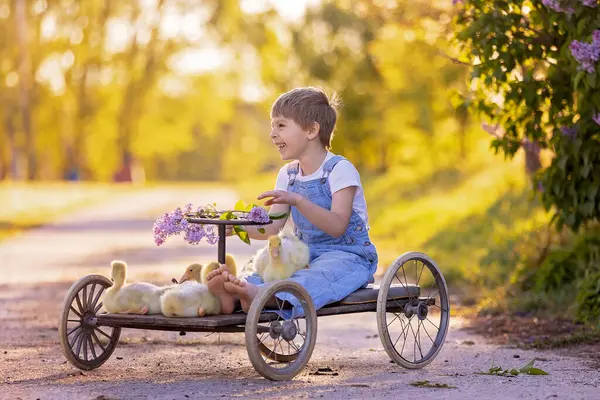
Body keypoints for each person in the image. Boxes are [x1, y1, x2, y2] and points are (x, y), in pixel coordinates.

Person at [206, 87, 378, 315]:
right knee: (266, 264)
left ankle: (257, 295)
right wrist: (238, 227)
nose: (273, 134)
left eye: (281, 125)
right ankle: (235, 295)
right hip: (303, 252)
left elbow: (337, 226)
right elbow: (273, 228)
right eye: (272, 126)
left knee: (316, 276)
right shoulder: (288, 175)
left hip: (348, 255)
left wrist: (297, 200)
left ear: (311, 130)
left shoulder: (340, 170)